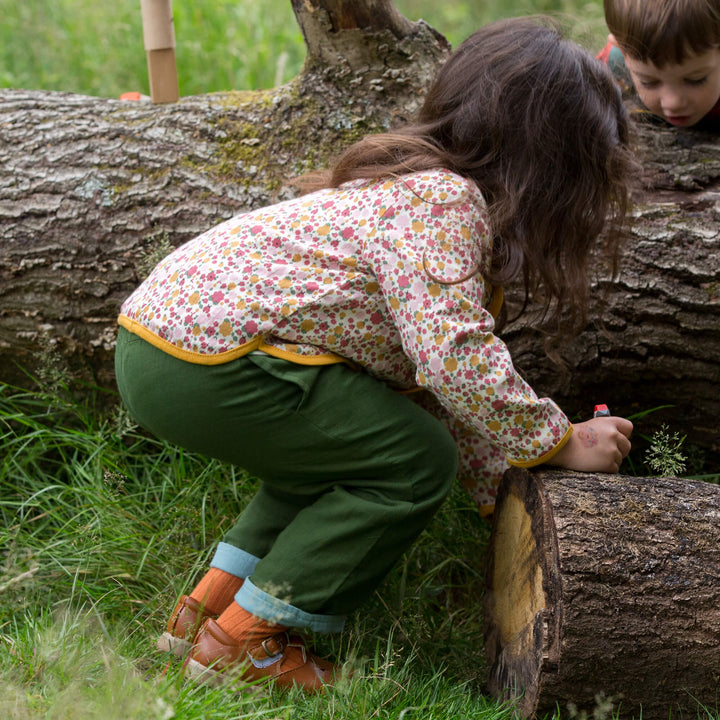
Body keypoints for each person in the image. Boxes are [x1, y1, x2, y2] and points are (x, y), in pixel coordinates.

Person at [114, 16, 635, 693]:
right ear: (552, 171)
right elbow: (454, 361)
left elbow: (439, 390)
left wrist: (506, 502)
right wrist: (557, 441)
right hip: (217, 358)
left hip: (162, 346)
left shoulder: (415, 190)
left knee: (331, 461)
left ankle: (207, 613)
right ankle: (248, 643)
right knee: (412, 460)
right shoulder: (445, 204)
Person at [598, 0, 720, 128]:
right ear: (623, 52)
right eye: (648, 82)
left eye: (695, 80)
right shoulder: (608, 73)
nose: (673, 103)